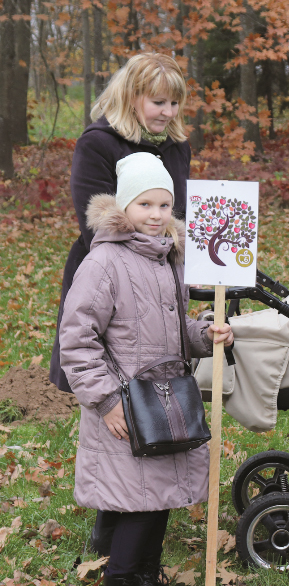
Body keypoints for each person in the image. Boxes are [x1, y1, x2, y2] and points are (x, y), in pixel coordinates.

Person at [59, 153, 233, 586]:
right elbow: (78, 340)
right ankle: (122, 576)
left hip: (164, 404)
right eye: (144, 204)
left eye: (163, 205)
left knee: (159, 502)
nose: (156, 215)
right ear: (123, 206)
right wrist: (105, 401)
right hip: (125, 406)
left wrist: (203, 335)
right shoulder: (104, 263)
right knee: (138, 504)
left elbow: (171, 331)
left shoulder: (168, 258)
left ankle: (143, 575)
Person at [49, 51, 192, 556]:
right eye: (158, 101)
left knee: (151, 412)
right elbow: (94, 221)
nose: (168, 112)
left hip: (158, 275)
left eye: (175, 102)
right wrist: (137, 272)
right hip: (111, 284)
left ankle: (126, 535)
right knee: (118, 409)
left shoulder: (175, 145)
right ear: (132, 96)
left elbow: (177, 212)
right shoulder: (99, 144)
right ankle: (111, 532)